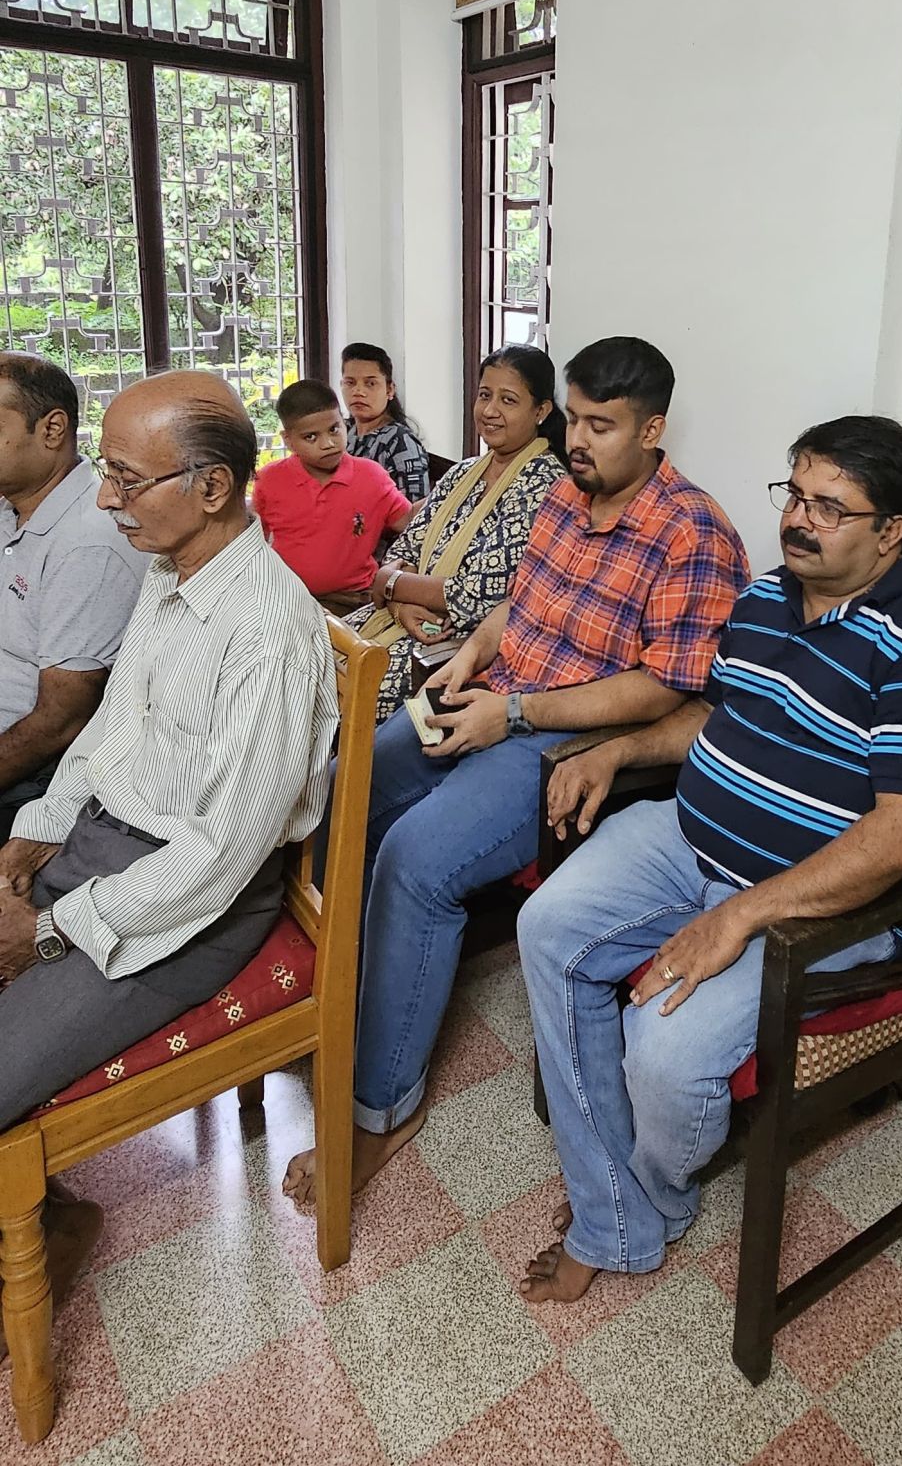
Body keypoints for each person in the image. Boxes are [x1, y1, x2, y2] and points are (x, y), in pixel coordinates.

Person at [514, 415, 902, 1305]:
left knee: (665, 1051)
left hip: (824, 905)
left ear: (891, 530)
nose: (798, 519)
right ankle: (619, 1213)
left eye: (830, 507)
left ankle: (643, 1202)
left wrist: (738, 916)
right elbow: (716, 716)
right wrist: (620, 751)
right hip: (688, 841)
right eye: (795, 494)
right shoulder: (769, 596)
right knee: (546, 925)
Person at [283, 336, 749, 1215]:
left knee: (416, 860)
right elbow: (519, 604)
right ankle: (335, 1003)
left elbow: (669, 687)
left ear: (652, 430)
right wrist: (469, 661)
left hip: (562, 738)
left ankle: (380, 1108)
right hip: (497, 693)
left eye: (601, 425)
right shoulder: (566, 495)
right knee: (342, 788)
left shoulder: (693, 533)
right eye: (573, 418)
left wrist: (518, 711)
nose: (579, 440)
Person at [0, 372, 338, 1322]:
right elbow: (110, 731)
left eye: (124, 477)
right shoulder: (169, 571)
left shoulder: (267, 632)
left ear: (212, 487)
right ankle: (40, 1203)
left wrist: (50, 927)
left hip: (194, 903)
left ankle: (53, 1225)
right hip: (107, 849)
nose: (105, 497)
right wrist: (33, 833)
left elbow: (221, 858)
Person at [361, 345, 568, 722]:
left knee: (356, 689)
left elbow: (478, 595)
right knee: (308, 655)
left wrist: (389, 583)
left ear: (541, 411)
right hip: (399, 619)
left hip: (454, 646)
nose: (489, 410)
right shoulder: (462, 473)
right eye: (485, 395)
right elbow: (404, 549)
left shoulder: (547, 486)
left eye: (508, 400)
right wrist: (398, 603)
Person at [0, 355, 143, 841]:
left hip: (34, 776)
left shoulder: (87, 543)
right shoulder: (12, 509)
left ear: (52, 429)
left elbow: (59, 723)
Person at [254, 378, 410, 612]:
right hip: (288, 600)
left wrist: (451, 490)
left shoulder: (371, 476)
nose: (328, 443)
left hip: (354, 600)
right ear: (288, 440)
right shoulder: (269, 480)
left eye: (334, 429)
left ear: (344, 423)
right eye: (311, 437)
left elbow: (409, 521)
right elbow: (253, 543)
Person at [341, 341, 430, 503]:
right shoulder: (342, 431)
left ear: (389, 390)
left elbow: (414, 511)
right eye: (350, 383)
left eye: (370, 383)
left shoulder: (399, 442)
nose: (358, 392)